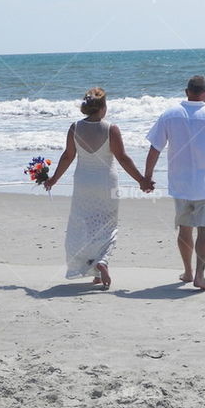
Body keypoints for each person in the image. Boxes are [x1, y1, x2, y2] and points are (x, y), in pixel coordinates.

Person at [45, 87, 154, 289]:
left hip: (83, 183)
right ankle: (102, 262)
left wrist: (53, 179)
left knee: (84, 224)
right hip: (106, 183)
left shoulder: (74, 128)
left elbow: (67, 156)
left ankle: (94, 269)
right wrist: (142, 180)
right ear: (103, 107)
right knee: (106, 225)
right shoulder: (111, 128)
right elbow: (122, 158)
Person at [144, 75, 205, 291]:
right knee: (204, 229)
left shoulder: (170, 115)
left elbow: (155, 148)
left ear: (186, 92)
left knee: (185, 229)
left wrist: (147, 176)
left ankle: (188, 271)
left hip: (180, 183)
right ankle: (200, 276)